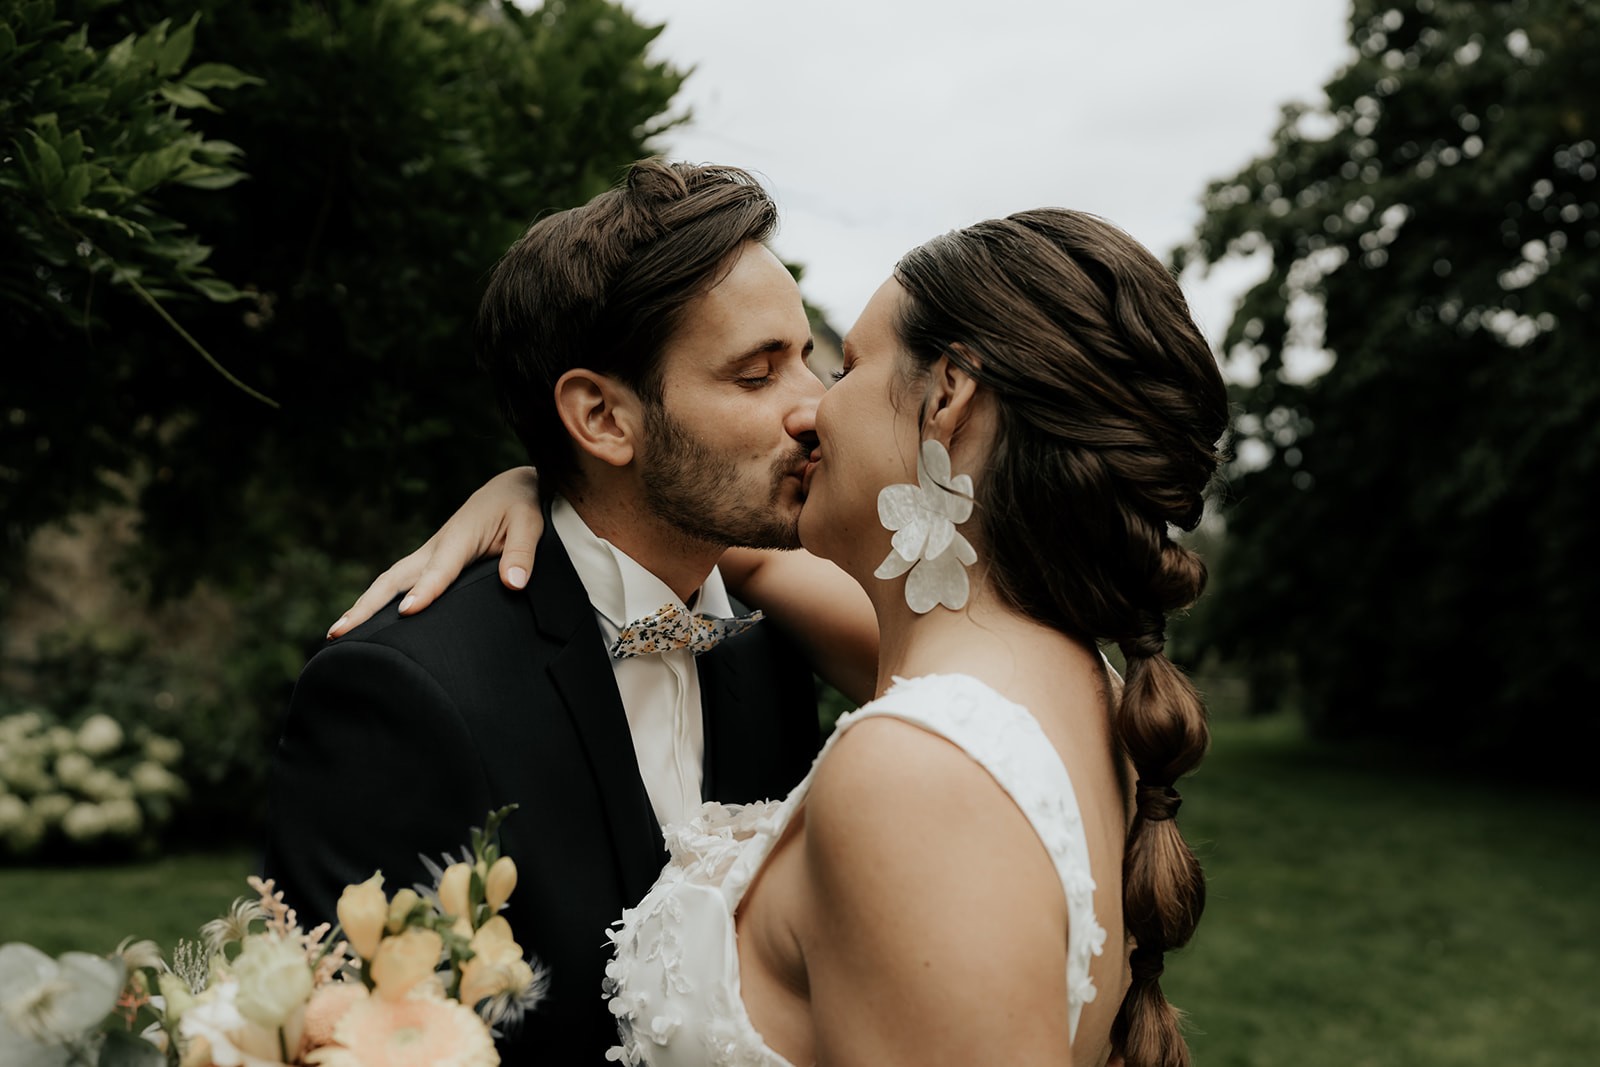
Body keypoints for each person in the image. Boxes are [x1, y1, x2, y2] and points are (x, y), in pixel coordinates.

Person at [340, 204, 1230, 1065]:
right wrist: (548, 481)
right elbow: (744, 554)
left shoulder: (920, 769)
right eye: (764, 372)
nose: (811, 410)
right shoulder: (1083, 689)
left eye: (838, 368)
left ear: (949, 395)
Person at [263, 159, 878, 1066]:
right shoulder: (403, 697)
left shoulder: (772, 643)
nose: (815, 409)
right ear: (601, 416)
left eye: (808, 360)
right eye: (757, 375)